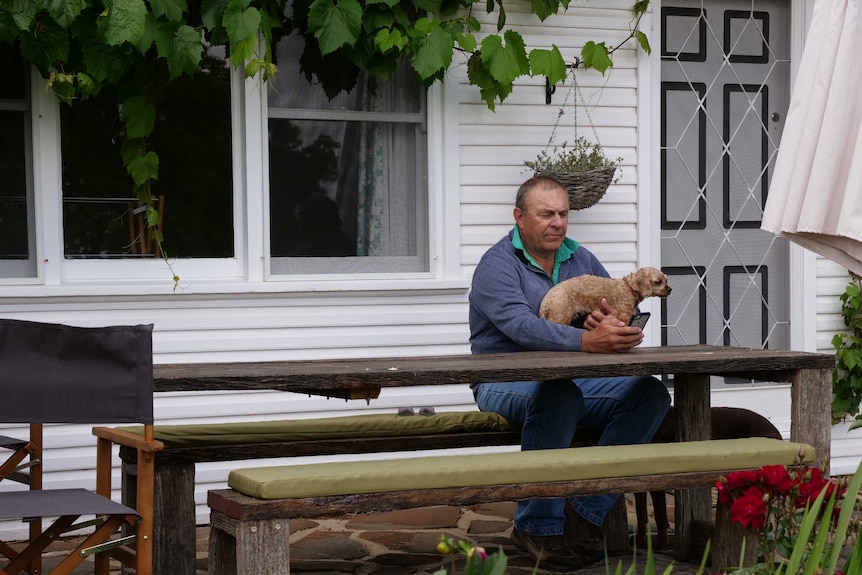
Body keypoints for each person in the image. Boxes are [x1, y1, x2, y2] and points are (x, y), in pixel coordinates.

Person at [468, 175, 671, 572]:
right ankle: (537, 527)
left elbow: (617, 306)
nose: (557, 222)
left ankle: (584, 514)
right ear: (519, 217)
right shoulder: (496, 265)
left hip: (576, 379)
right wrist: (585, 342)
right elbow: (520, 327)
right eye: (546, 214)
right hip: (502, 381)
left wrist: (608, 325)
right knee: (558, 395)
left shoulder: (583, 259)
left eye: (563, 214)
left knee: (650, 394)